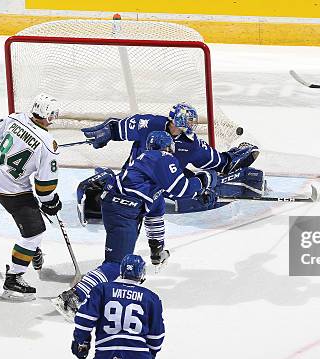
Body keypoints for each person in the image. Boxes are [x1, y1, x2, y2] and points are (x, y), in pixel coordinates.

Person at [53, 131, 216, 319]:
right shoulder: (161, 157)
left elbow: (155, 217)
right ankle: (72, 297)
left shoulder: (151, 179)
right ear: (168, 147)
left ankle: (94, 294)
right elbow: (180, 189)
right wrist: (204, 181)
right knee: (115, 265)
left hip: (120, 208)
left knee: (119, 261)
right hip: (123, 210)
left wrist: (157, 252)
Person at [77, 103, 263, 215]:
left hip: (167, 182)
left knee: (195, 191)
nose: (192, 124)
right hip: (136, 178)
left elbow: (220, 162)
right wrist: (107, 133)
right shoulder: (149, 124)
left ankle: (234, 183)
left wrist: (232, 159)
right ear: (178, 120)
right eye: (189, 120)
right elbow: (117, 128)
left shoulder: (191, 144)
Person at [0, 93, 63, 300]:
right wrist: (51, 203)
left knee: (31, 225)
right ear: (50, 115)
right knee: (34, 232)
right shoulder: (48, 144)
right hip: (12, 190)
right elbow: (44, 187)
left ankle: (30, 251)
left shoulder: (16, 118)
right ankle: (14, 280)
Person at [71, 254, 164, 359]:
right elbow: (156, 337)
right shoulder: (151, 298)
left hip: (106, 357)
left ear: (122, 270)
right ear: (142, 273)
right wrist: (147, 356)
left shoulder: (102, 289)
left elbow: (84, 320)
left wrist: (81, 343)